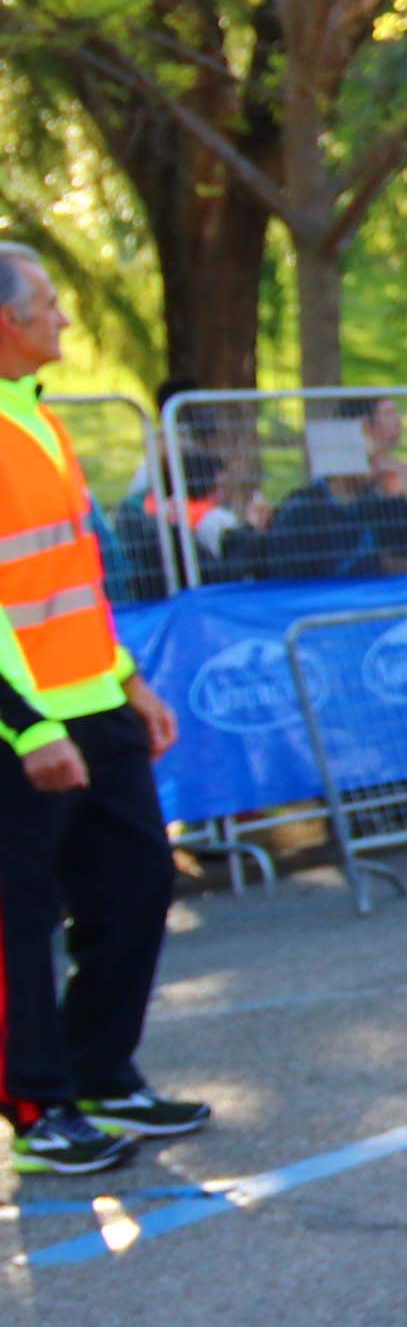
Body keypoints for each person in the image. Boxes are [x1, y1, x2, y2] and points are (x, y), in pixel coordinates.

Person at [0, 246, 203, 1180]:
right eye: (47, 304)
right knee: (18, 920)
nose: (64, 319)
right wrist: (28, 727)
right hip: (23, 726)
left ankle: (98, 1072)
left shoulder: (37, 419)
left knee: (137, 886)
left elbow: (72, 579)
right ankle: (37, 1107)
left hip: (95, 704)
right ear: (6, 320)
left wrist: (130, 682)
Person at [249, 395, 407, 578]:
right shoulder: (303, 509)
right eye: (370, 460)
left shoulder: (373, 504)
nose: (379, 468)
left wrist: (397, 499)